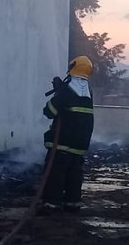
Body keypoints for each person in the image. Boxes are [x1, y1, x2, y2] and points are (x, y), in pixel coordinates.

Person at [40, 55, 95, 214]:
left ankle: (51, 205)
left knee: (55, 173)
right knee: (74, 175)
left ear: (73, 67)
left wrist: (58, 92)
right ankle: (72, 204)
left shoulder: (68, 87)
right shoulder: (88, 91)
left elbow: (50, 111)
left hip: (63, 142)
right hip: (80, 144)